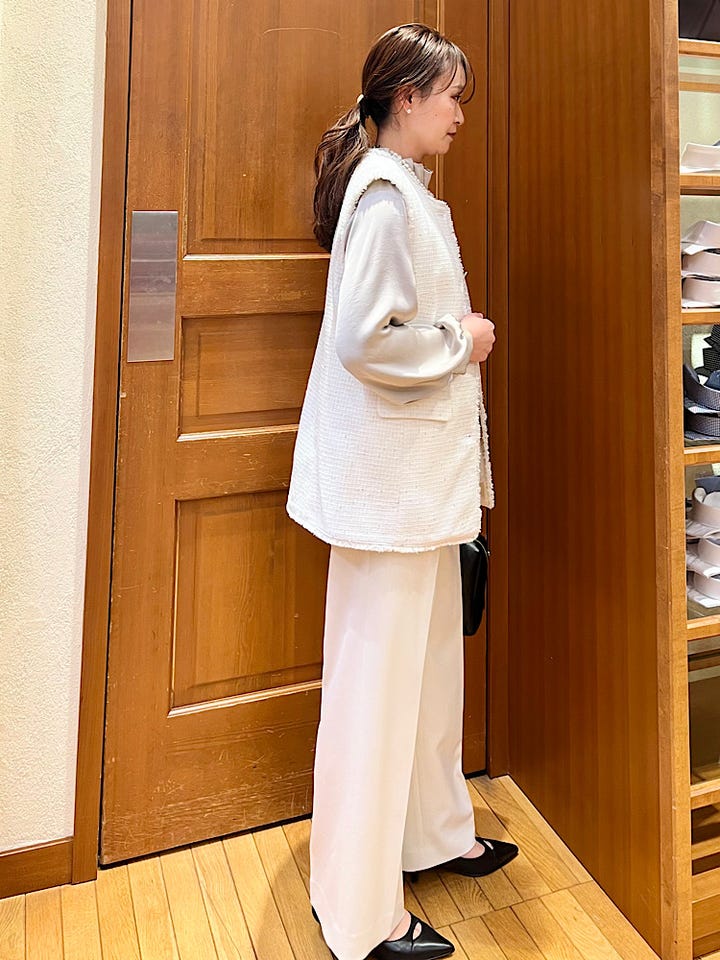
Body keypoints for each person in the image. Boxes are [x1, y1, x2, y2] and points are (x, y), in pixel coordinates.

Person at [286, 22, 518, 960]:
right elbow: (365, 340)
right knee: (375, 692)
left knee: (423, 677)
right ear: (407, 97)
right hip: (388, 492)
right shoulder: (384, 197)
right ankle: (357, 914)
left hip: (415, 488)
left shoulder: (407, 191)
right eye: (451, 95)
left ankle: (433, 834)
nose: (460, 113)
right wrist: (464, 341)